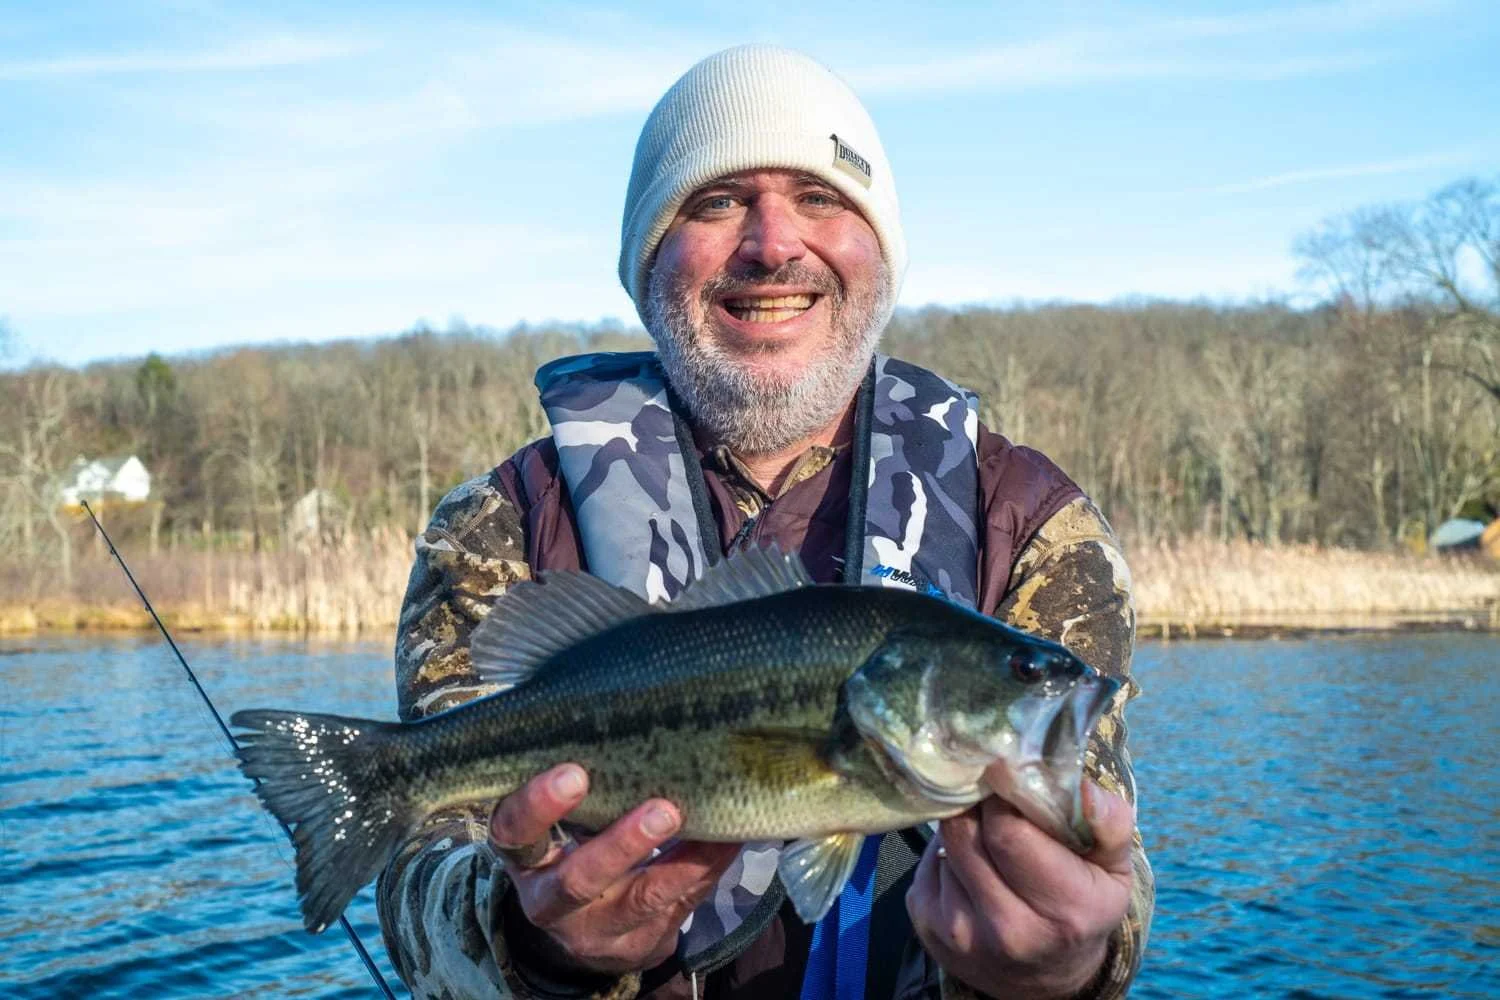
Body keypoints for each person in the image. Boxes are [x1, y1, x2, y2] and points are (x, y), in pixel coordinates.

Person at [376, 44, 1153, 1000]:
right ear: (649, 257)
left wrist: (1071, 965)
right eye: (716, 202)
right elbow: (416, 886)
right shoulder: (501, 527)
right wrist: (531, 940)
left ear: (880, 252)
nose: (773, 243)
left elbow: (1112, 862)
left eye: (823, 198)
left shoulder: (1031, 524)